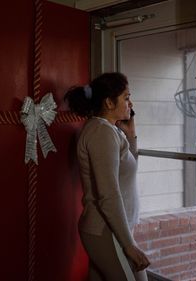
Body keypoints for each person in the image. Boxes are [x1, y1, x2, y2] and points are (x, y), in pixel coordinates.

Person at [67, 72, 150, 281]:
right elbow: (108, 194)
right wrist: (129, 245)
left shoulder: (111, 131)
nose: (130, 103)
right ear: (109, 102)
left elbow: (128, 172)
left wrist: (131, 135)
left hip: (112, 229)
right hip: (105, 229)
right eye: (126, 97)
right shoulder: (100, 133)